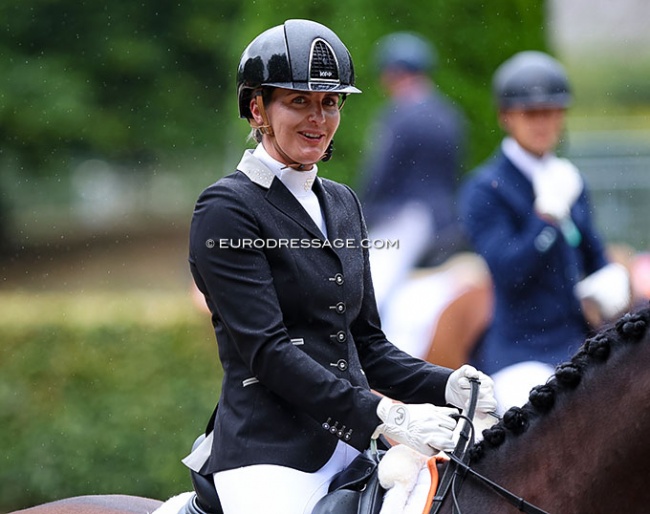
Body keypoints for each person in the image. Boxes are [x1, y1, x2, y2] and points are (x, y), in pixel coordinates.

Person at [182, 19, 496, 514]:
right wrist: (385, 413)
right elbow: (268, 352)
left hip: (354, 450)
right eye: (299, 101)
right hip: (270, 458)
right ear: (257, 108)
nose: (319, 118)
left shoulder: (342, 202)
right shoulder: (226, 208)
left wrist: (448, 384)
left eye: (330, 102)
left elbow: (367, 344)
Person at [458, 51, 630, 413]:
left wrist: (609, 281)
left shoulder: (568, 178)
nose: (542, 123)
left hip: (578, 341)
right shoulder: (485, 188)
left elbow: (593, 254)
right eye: (530, 113)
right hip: (522, 350)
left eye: (551, 112)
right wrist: (545, 221)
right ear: (507, 117)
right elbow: (509, 273)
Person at [357, 32, 468, 314]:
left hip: (407, 217)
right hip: (447, 218)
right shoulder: (450, 114)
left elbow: (380, 176)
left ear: (394, 73)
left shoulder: (398, 116)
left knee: (368, 295)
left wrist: (359, 212)